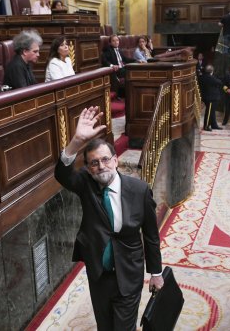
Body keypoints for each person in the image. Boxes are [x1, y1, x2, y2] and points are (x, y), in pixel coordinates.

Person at [54, 106, 164, 330]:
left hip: (129, 271)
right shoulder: (86, 183)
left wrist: (156, 272)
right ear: (88, 168)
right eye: (94, 163)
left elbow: (151, 235)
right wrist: (76, 141)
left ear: (115, 160)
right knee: (105, 326)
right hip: (99, 273)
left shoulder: (139, 190)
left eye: (105, 160)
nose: (100, 166)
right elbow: (61, 174)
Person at [199, 65, 224, 131]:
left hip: (207, 97)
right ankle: (206, 126)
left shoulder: (202, 77)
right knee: (209, 112)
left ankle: (214, 125)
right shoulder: (211, 78)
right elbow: (220, 82)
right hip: (211, 98)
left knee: (212, 112)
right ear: (212, 71)